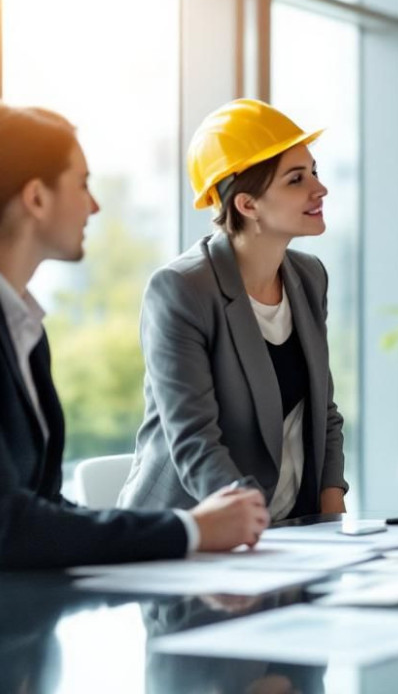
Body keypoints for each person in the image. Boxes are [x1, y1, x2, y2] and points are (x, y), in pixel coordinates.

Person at [0, 102, 267, 575]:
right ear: (36, 198)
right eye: (82, 184)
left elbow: (43, 505)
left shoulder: (13, 318)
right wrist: (190, 530)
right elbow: (3, 526)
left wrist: (186, 528)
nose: (94, 205)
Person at [119, 99, 349, 521]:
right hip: (189, 535)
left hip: (292, 534)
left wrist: (332, 514)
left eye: (313, 171)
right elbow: (194, 441)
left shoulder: (309, 277)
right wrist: (253, 528)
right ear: (247, 205)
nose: (320, 188)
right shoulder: (182, 290)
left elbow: (324, 413)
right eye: (296, 180)